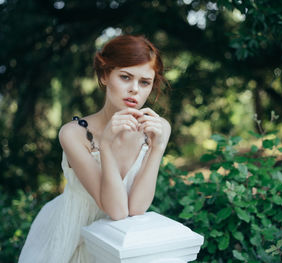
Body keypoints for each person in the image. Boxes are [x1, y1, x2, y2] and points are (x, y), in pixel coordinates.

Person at [18, 35, 171, 263]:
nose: (134, 90)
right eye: (125, 77)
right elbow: (115, 210)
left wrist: (157, 147)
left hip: (120, 240)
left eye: (144, 82)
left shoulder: (157, 130)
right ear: (104, 75)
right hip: (74, 233)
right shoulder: (73, 134)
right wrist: (106, 145)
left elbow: (136, 209)